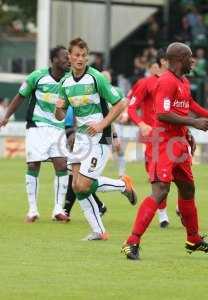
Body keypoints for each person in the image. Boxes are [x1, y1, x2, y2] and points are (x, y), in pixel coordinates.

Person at [121, 42, 208, 260]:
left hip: (178, 143)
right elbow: (161, 114)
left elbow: (188, 104)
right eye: (190, 57)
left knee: (188, 189)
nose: (193, 61)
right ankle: (131, 243)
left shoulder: (183, 81)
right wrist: (194, 123)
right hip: (163, 143)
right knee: (160, 191)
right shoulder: (166, 82)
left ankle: (193, 239)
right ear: (179, 59)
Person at [54, 37, 137, 241]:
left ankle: (122, 185)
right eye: (76, 55)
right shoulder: (65, 82)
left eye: (84, 55)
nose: (80, 59)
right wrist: (58, 108)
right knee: (76, 186)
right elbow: (60, 116)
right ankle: (99, 231)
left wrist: (101, 124)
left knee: (83, 185)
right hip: (80, 138)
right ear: (70, 57)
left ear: (87, 56)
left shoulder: (96, 78)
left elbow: (119, 104)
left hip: (100, 136)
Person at [0, 46, 71, 223]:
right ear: (54, 60)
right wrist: (6, 116)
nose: (68, 60)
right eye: (64, 57)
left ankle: (58, 209)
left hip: (58, 128)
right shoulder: (36, 76)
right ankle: (32, 210)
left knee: (62, 166)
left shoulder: (70, 80)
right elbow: (19, 96)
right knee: (33, 165)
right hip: (36, 126)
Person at [127, 50, 172, 228]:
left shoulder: (178, 81)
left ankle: (181, 207)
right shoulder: (146, 83)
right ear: (163, 61)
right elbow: (132, 107)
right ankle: (162, 214)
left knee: (181, 176)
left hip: (174, 138)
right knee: (158, 179)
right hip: (153, 139)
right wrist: (141, 124)